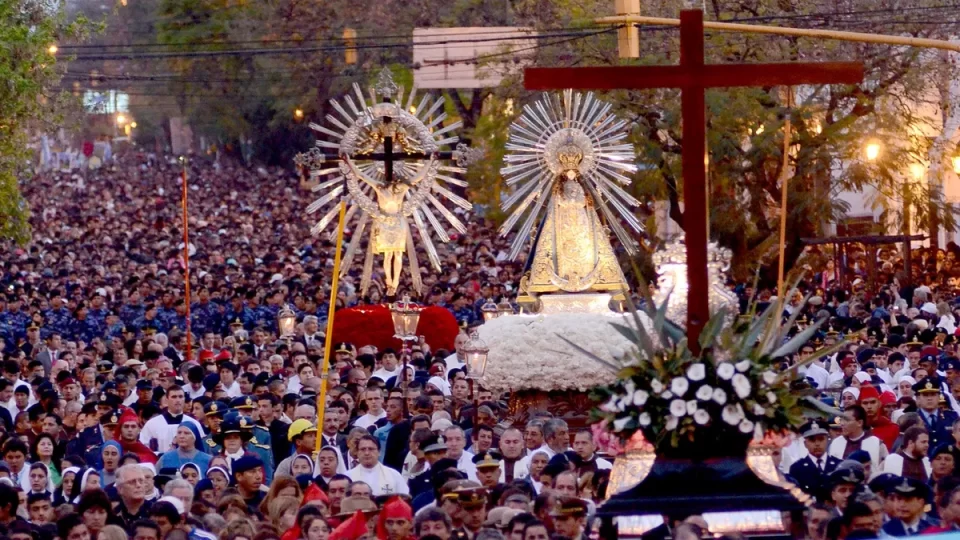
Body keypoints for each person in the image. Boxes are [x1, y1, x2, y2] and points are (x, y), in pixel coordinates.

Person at [789, 420, 841, 498]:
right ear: (805, 444)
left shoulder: (839, 465)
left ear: (827, 440)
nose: (817, 444)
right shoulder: (797, 468)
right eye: (812, 440)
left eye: (821, 439)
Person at [114, 463, 153, 531]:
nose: (138, 485)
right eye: (132, 482)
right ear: (120, 489)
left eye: (141, 481)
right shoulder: (112, 516)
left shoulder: (155, 513)